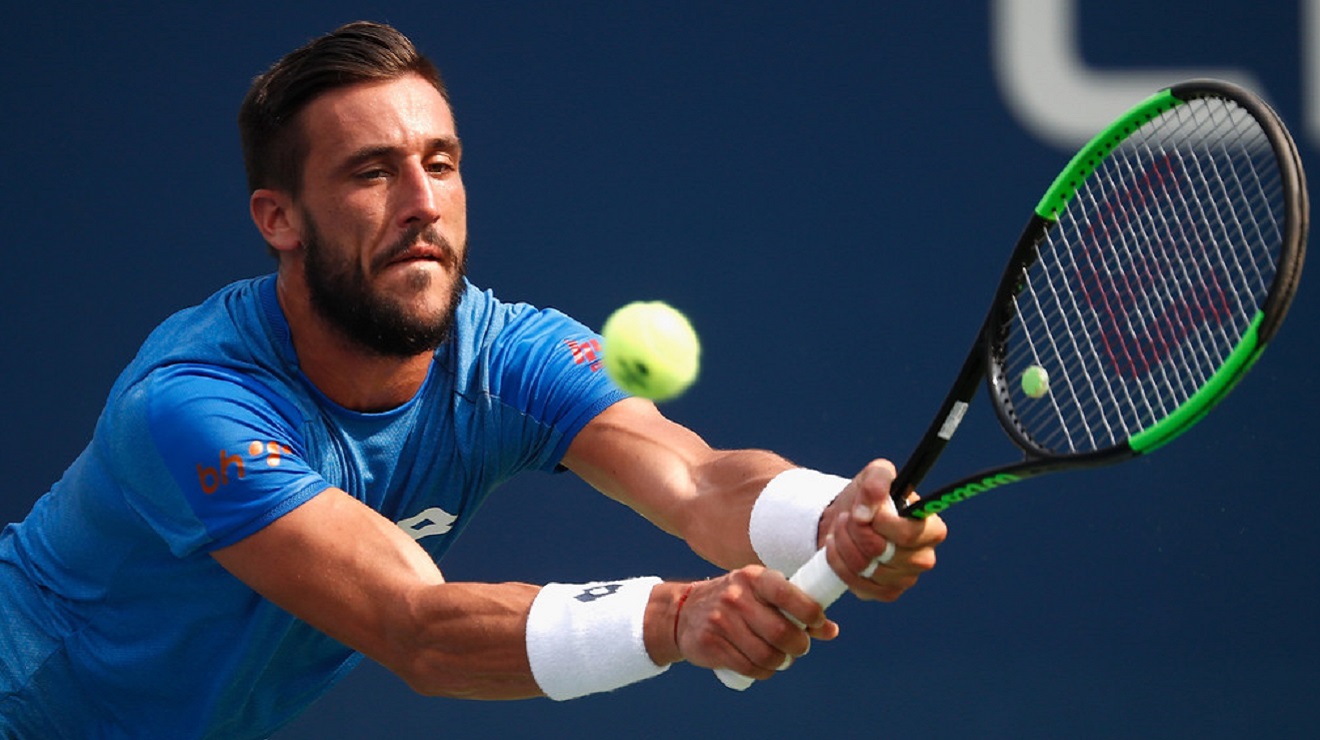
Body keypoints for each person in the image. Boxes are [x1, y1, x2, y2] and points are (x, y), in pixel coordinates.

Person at [0, 21, 947, 738]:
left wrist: (827, 520)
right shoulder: (191, 405)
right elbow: (418, 629)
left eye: (441, 164)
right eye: (373, 173)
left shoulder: (506, 356)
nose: (422, 203)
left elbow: (696, 480)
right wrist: (676, 615)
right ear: (279, 219)